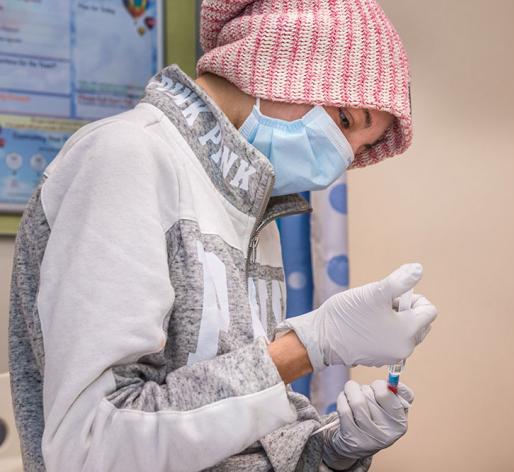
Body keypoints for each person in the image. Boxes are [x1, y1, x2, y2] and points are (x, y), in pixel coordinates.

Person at [8, 1, 438, 470]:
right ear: (282, 64)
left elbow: (234, 433)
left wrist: (331, 450)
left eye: (362, 148)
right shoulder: (127, 158)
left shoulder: (252, 208)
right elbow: (92, 448)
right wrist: (305, 347)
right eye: (345, 120)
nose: (343, 156)